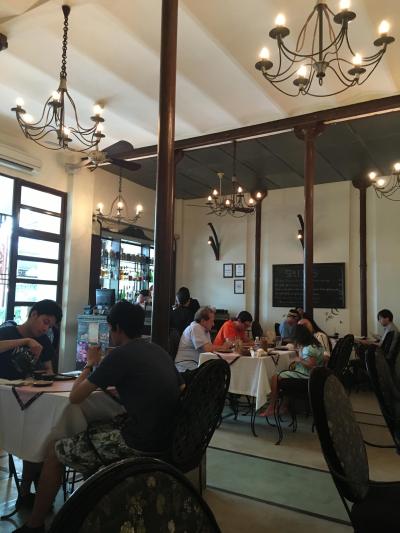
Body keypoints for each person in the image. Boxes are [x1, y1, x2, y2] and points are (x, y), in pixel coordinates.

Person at [15, 300, 182, 533]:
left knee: (55, 452)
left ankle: (35, 525)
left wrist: (90, 364)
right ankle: (95, 504)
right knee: (94, 425)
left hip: (140, 442)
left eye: (110, 328)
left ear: (117, 328)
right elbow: (179, 386)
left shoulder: (121, 355)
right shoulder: (157, 350)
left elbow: (75, 397)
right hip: (169, 437)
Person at [0, 300, 62, 517]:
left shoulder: (43, 341)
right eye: (45, 322)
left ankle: (26, 491)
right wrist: (25, 341)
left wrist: (45, 374)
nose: (46, 328)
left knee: (38, 435)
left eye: (50, 326)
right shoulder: (7, 332)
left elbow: (48, 371)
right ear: (33, 314)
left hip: (25, 401)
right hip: (3, 398)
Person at [264, 325, 324, 417]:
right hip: (314, 376)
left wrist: (299, 360)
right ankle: (284, 406)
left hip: (306, 375)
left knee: (275, 377)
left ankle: (272, 407)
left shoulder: (308, 349)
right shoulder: (316, 346)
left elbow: (311, 365)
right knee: (286, 373)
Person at [175, 306, 230, 372]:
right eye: (212, 321)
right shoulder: (196, 327)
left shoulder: (204, 330)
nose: (213, 324)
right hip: (186, 367)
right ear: (203, 321)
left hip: (194, 364)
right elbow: (208, 349)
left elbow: (210, 350)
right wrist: (223, 347)